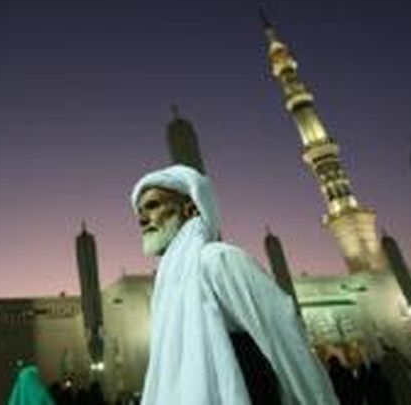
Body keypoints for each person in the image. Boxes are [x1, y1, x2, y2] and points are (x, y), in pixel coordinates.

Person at [131, 164, 337, 404]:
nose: (142, 219)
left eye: (153, 205)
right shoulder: (168, 285)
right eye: (139, 211)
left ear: (190, 209)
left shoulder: (218, 260)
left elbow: (284, 338)